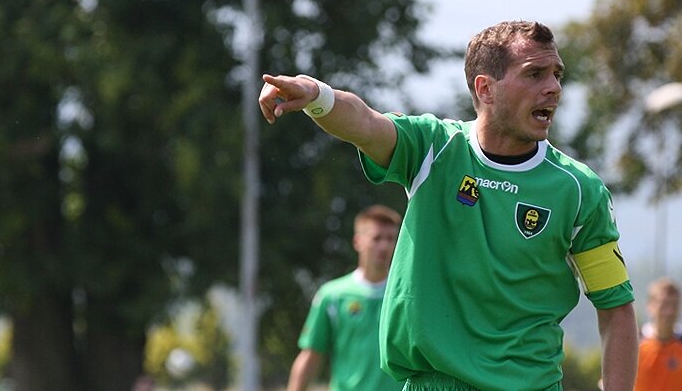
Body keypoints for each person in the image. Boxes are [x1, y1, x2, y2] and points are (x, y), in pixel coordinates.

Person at [260, 20, 638, 391]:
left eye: (557, 74)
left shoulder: (580, 190)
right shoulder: (434, 148)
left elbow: (616, 306)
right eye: (535, 74)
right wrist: (317, 95)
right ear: (485, 89)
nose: (553, 87)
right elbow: (365, 123)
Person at [286, 204, 404, 391]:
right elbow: (311, 356)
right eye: (376, 238)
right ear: (358, 242)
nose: (384, 246)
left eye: (391, 239)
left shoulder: (405, 295)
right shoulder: (333, 296)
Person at [634, 277, 682, 390]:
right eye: (664, 305)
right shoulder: (633, 343)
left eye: (674, 305)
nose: (669, 312)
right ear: (650, 306)